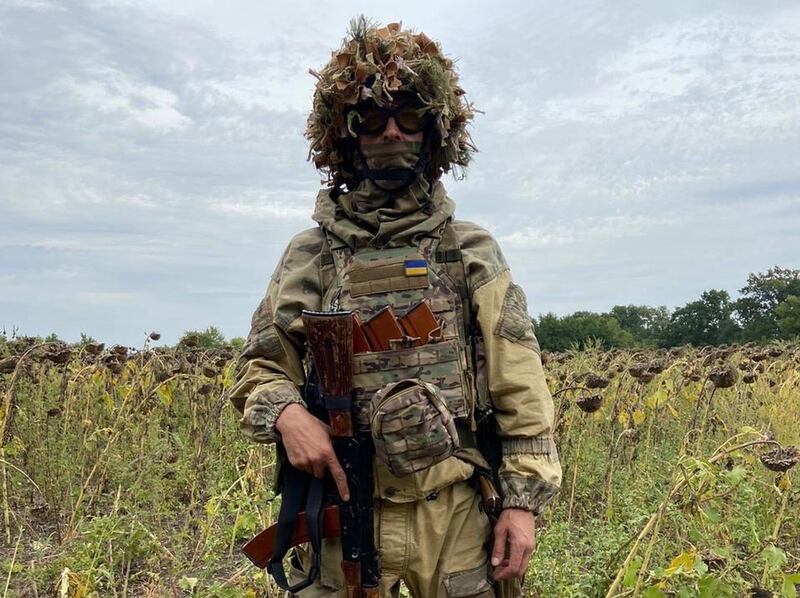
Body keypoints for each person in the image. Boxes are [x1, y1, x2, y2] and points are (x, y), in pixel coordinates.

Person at [228, 17, 561, 598]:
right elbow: (259, 368)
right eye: (372, 119)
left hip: (457, 506)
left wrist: (523, 502)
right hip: (347, 502)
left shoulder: (469, 250)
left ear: (434, 132)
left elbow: (519, 383)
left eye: (408, 117)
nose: (390, 133)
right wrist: (289, 416)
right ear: (346, 134)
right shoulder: (310, 254)